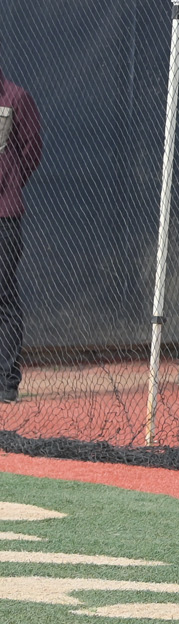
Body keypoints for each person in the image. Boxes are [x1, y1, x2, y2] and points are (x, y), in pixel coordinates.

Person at [0, 50, 41, 403]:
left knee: (4, 295)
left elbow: (32, 149)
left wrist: (11, 182)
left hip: (5, 217)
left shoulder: (16, 98)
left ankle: (7, 381)